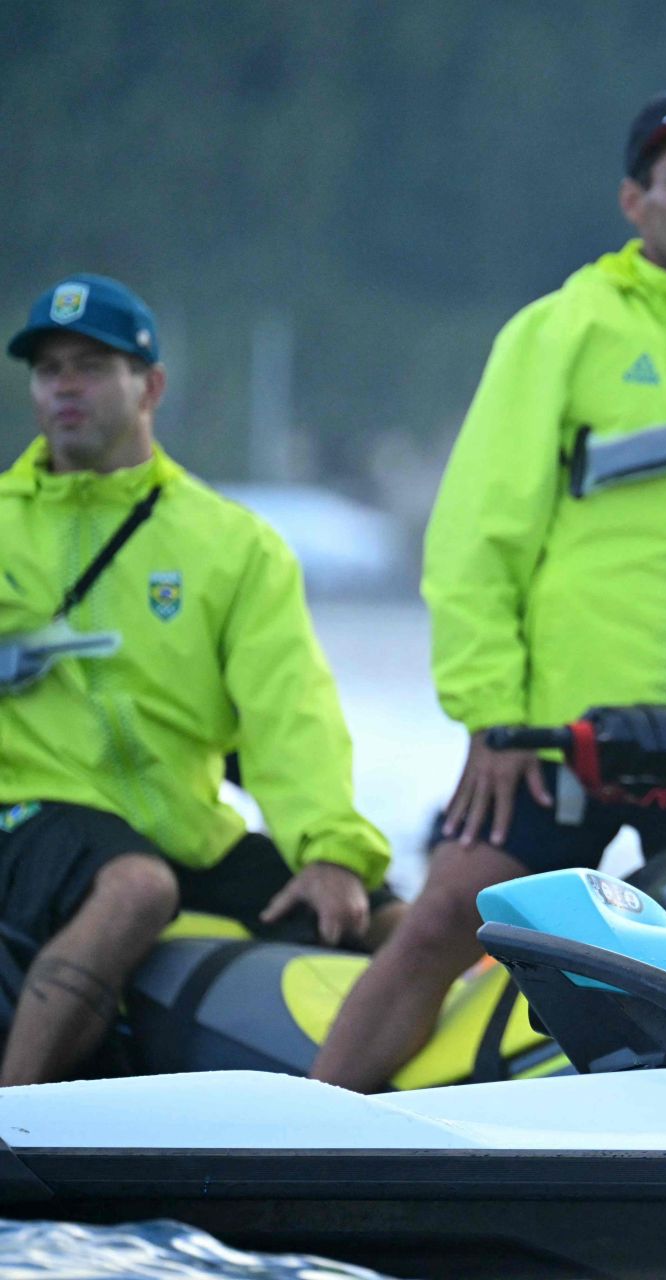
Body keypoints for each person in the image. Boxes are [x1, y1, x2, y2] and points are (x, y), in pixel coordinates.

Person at [312, 84, 666, 1092]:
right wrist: (492, 715)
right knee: (450, 911)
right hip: (562, 733)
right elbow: (477, 537)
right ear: (635, 201)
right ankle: (303, 1130)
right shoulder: (558, 331)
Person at [0, 274, 396, 1085]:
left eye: (90, 366)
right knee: (135, 888)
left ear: (150, 386)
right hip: (26, 814)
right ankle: (16, 1131)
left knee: (393, 920)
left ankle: (404, 1141)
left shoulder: (234, 545)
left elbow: (290, 714)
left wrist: (331, 850)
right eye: (48, 370)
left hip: (185, 830)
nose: (64, 386)